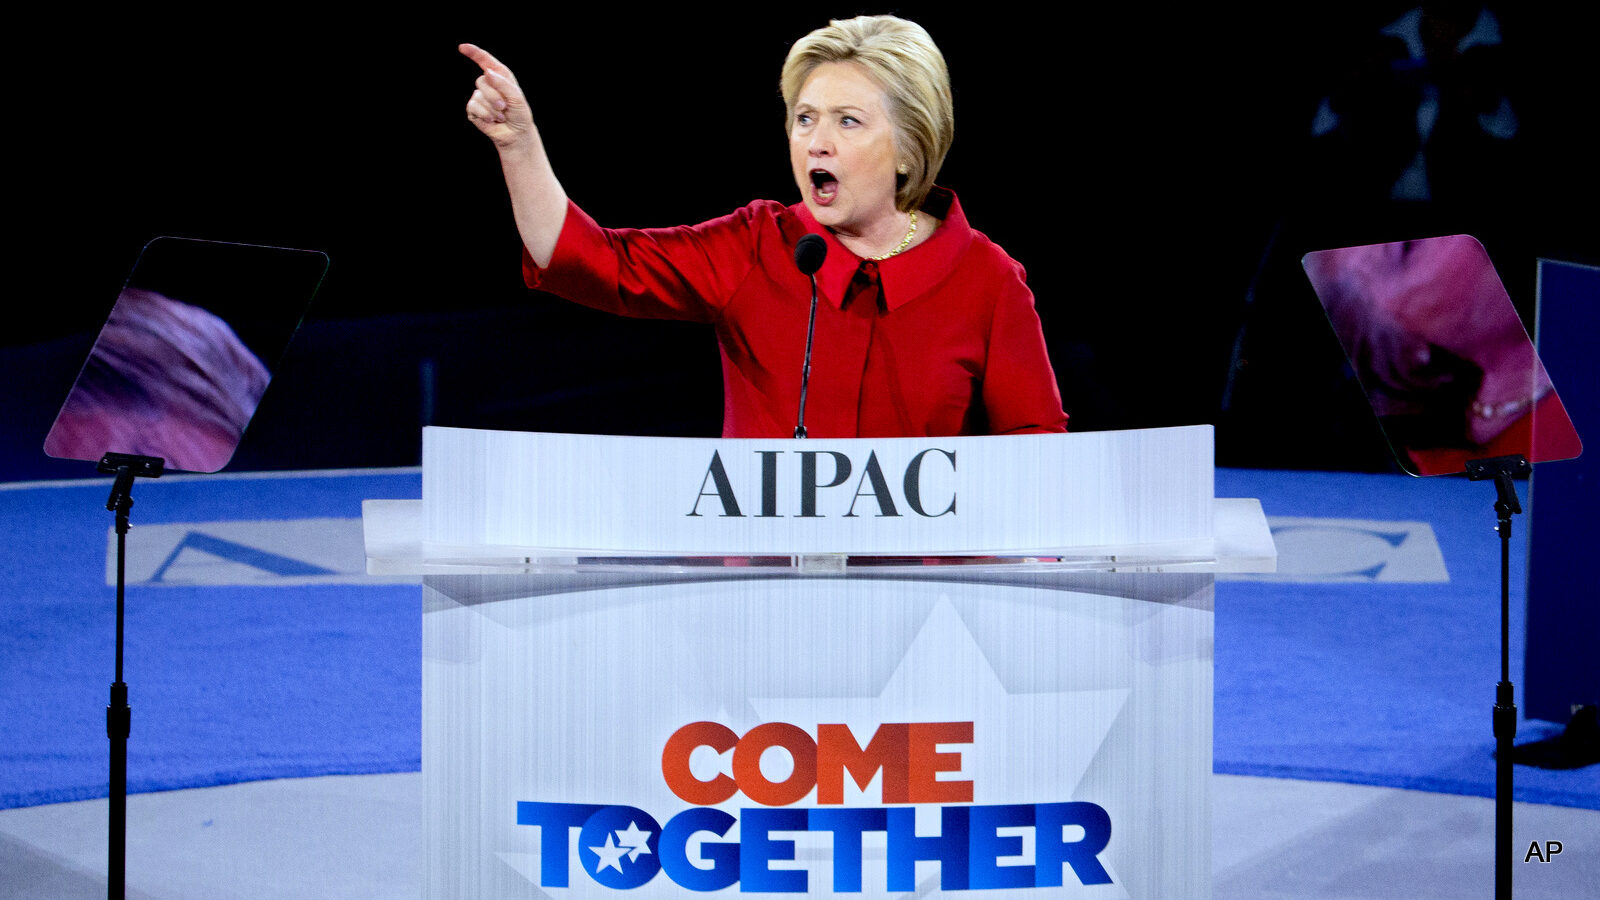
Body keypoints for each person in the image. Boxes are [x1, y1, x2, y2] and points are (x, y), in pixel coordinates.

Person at [460, 15, 1066, 438]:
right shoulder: (756, 246)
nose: (816, 143)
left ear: (909, 146)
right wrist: (518, 145)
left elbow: (1036, 451)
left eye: (848, 122)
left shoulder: (988, 281)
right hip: (767, 598)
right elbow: (592, 262)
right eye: (805, 119)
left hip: (930, 605)